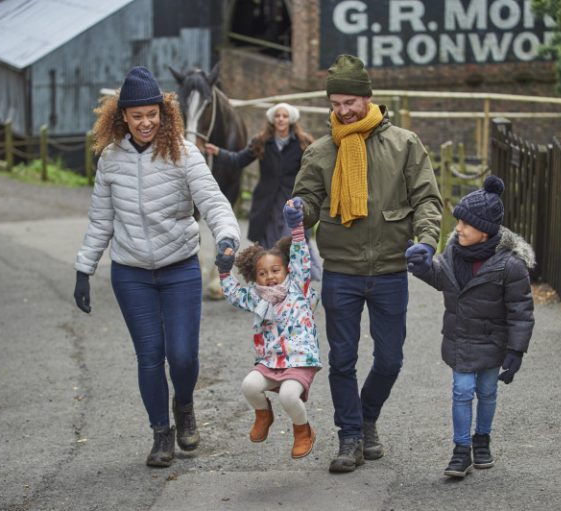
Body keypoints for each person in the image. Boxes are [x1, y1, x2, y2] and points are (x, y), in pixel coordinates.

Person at [72, 66, 240, 468]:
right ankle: (161, 432)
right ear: (123, 117)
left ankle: (184, 406)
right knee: (149, 356)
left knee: (181, 357)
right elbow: (101, 220)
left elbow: (215, 203)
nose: (146, 122)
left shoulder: (184, 153)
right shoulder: (110, 160)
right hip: (130, 274)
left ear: (164, 114)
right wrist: (84, 269)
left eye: (153, 113)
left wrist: (228, 238)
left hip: (179, 267)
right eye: (137, 115)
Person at [287, 54, 443, 473]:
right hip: (341, 270)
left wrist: (427, 241)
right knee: (342, 360)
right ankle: (351, 437)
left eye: (350, 102)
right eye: (335, 104)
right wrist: (298, 211)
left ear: (368, 98)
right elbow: (310, 204)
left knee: (390, 359)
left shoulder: (404, 144)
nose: (343, 111)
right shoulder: (320, 152)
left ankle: (367, 415)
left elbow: (427, 199)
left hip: (392, 268)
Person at [405, 175, 535, 478]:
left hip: (492, 342)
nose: (458, 228)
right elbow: (441, 278)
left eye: (465, 224)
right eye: (458, 222)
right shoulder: (453, 254)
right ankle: (461, 449)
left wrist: (516, 350)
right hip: (461, 339)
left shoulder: (509, 265)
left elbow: (520, 310)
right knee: (462, 391)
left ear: (486, 231)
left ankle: (482, 439)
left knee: (487, 391)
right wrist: (423, 267)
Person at [217, 199, 321, 459]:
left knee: (288, 395)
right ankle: (263, 414)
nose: (270, 276)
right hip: (271, 361)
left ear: (287, 270)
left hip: (300, 359)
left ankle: (303, 430)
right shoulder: (257, 297)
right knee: (249, 386)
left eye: (275, 270)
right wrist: (223, 272)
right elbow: (234, 295)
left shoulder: (298, 287)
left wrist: (296, 228)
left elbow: (301, 257)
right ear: (255, 277)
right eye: (262, 273)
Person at [204, 103, 322, 280]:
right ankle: (274, 293)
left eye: (284, 116)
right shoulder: (261, 142)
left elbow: (315, 171)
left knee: (290, 244)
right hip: (266, 203)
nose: (281, 119)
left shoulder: (303, 143)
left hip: (291, 201)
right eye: (277, 116)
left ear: (290, 119)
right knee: (269, 250)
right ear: (272, 119)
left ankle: (295, 290)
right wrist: (219, 152)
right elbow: (238, 160)